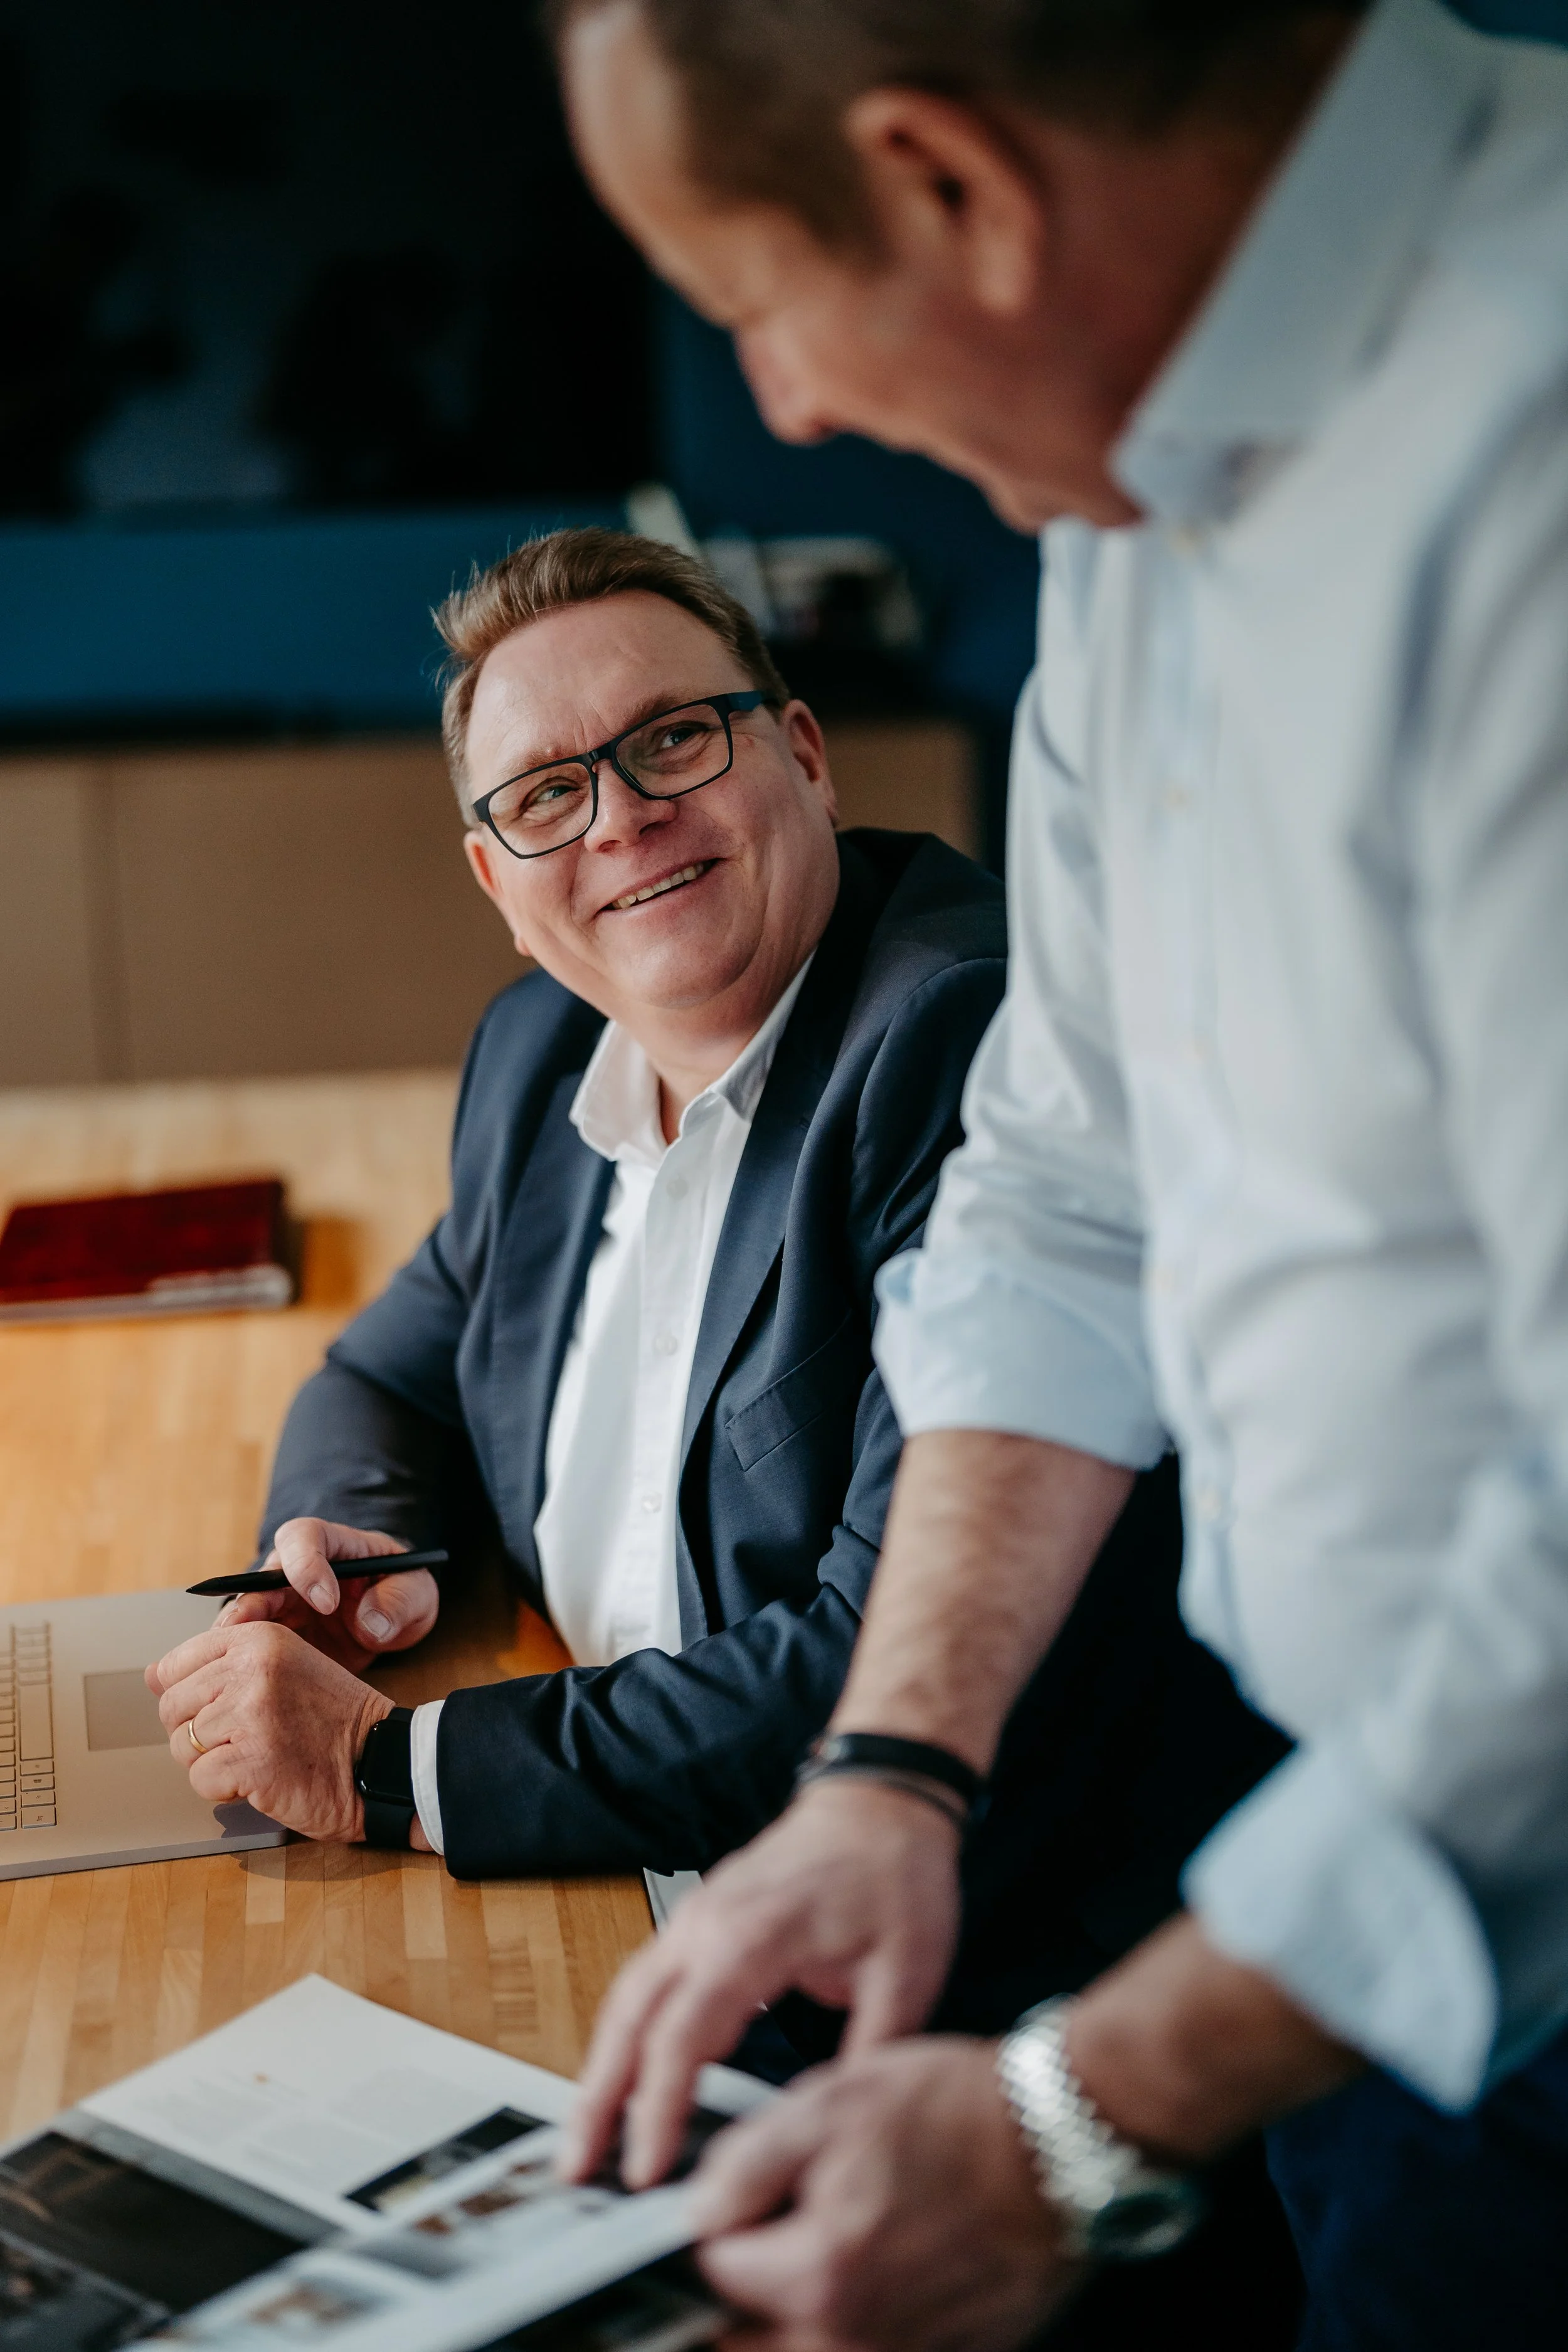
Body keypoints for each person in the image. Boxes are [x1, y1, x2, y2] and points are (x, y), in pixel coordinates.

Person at [544, 4, 1568, 2346]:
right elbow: (1068, 1188)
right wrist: (890, 1768)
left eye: (759, 299)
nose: (789, 401)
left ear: (952, 190)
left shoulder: (1527, 458)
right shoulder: (1133, 492)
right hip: (1339, 1896)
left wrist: (1078, 2118)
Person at [146, 531, 1286, 2124]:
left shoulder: (960, 1044)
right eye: (546, 794)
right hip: (615, 1895)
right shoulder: (544, 1049)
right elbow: (386, 1374)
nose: (620, 818)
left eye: (673, 739)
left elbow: (878, 1657)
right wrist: (357, 1557)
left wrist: (384, 1766)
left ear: (801, 753)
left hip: (927, 2010)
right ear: (496, 880)